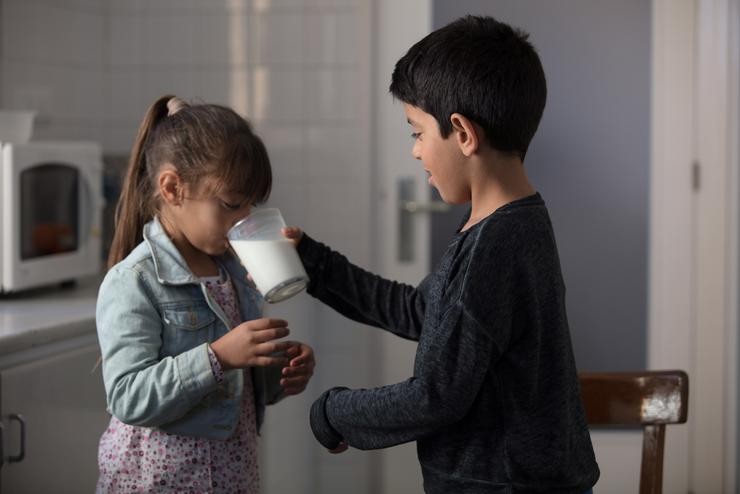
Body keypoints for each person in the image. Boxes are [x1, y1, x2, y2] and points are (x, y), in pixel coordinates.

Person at [284, 15, 599, 493]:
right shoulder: (510, 222)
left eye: (417, 132)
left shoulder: (493, 248)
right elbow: (421, 311)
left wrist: (333, 411)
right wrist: (313, 262)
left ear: (463, 133)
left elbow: (434, 397)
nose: (415, 152)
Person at [95, 95, 315, 494]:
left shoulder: (233, 270)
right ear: (173, 188)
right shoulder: (135, 280)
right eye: (231, 205)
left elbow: (235, 387)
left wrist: (278, 372)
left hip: (231, 476)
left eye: (251, 206)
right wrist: (217, 356)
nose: (244, 220)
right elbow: (128, 396)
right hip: (160, 482)